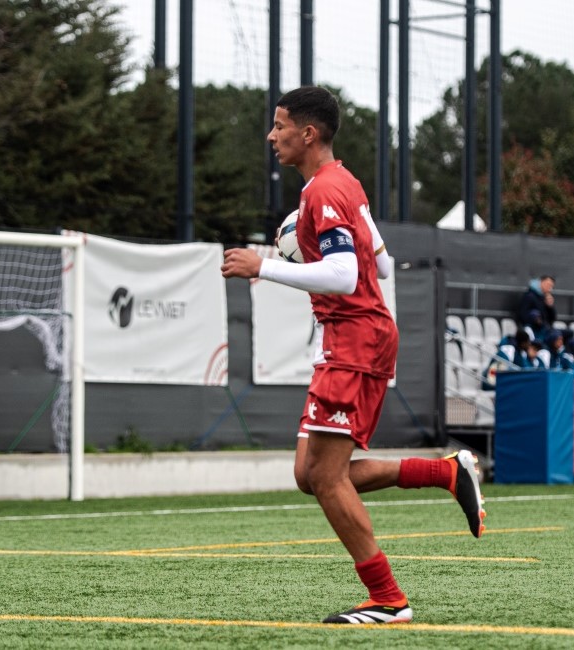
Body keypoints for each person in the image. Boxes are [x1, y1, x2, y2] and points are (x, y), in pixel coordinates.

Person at [221, 87, 484, 625]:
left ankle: (388, 599)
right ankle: (445, 472)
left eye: (280, 126)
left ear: (308, 133)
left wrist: (263, 266)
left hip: (353, 340)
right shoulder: (343, 183)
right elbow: (380, 266)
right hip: (353, 338)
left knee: (325, 477)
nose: (272, 136)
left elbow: (344, 275)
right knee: (310, 473)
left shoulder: (323, 191)